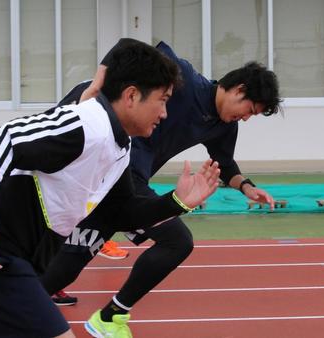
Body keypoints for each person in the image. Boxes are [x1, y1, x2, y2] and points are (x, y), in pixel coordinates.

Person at [0, 40, 221, 338]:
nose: (165, 113)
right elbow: (3, 141)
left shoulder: (118, 146)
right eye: (163, 99)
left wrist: (178, 202)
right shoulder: (89, 124)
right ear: (131, 96)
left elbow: (122, 212)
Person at [40, 38, 282, 338]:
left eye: (252, 116)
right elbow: (127, 46)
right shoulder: (185, 79)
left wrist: (246, 187)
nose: (246, 117)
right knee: (63, 271)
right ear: (239, 88)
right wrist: (98, 82)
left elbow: (225, 163)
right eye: (249, 109)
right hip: (109, 172)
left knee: (72, 266)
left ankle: (108, 315)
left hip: (128, 187)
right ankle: (5, 306)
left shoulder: (224, 126)